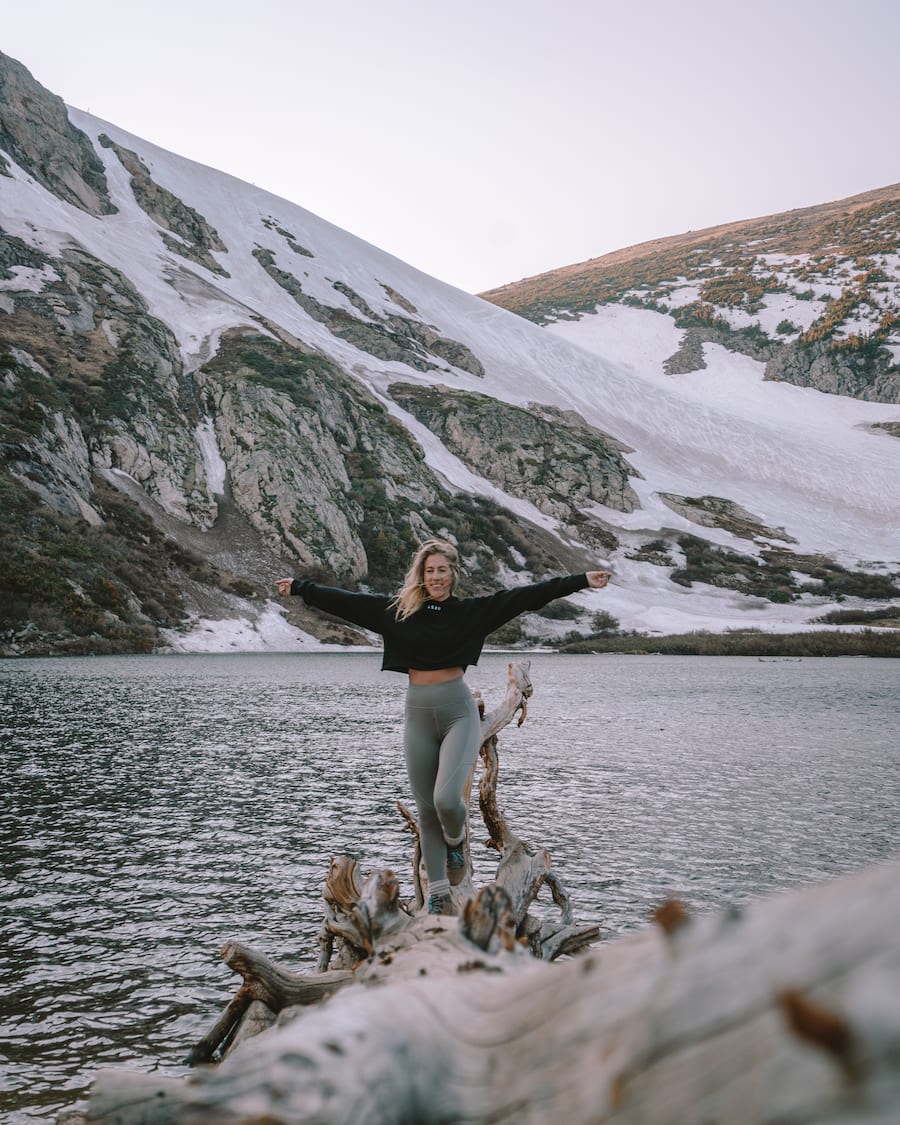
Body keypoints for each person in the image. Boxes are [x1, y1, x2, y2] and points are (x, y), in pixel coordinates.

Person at [277, 539, 611, 916]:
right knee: (426, 808)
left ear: (453, 574)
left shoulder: (473, 612)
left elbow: (528, 596)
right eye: (429, 570)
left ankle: (456, 839)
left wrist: (582, 579)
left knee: (446, 800)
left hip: (458, 712)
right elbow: (346, 602)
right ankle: (436, 893)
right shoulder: (398, 611)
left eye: (442, 570)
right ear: (422, 575)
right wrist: (302, 588)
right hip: (417, 713)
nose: (435, 576)